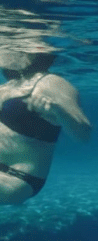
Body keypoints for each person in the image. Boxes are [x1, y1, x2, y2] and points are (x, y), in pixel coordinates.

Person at [0, 49, 91, 204]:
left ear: (29, 53)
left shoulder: (51, 83)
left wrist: (59, 111)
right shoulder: (9, 86)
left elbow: (84, 134)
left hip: (16, 178)